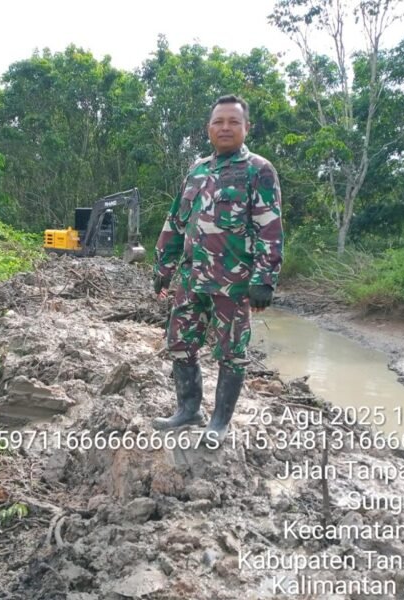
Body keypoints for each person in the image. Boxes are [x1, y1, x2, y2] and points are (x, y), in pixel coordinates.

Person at [152, 94, 283, 445]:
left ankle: (219, 422)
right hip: (191, 281)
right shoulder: (197, 169)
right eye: (218, 122)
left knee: (232, 353)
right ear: (208, 128)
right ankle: (188, 409)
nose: (225, 127)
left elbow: (269, 226)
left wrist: (264, 279)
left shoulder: (259, 170)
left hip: (234, 284)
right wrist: (163, 264)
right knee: (179, 343)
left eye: (233, 122)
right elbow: (177, 220)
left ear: (246, 127)